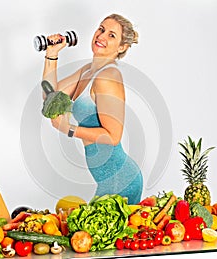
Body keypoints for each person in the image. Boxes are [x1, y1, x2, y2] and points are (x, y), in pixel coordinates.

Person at [42, 14, 143, 204]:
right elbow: (50, 96)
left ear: (122, 47)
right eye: (101, 29)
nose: (101, 36)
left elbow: (113, 136)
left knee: (84, 233)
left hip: (120, 181)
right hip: (106, 179)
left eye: (112, 35)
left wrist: (68, 129)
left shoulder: (108, 77)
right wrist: (52, 54)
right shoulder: (88, 70)